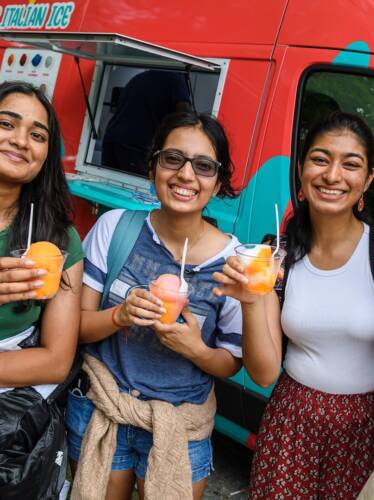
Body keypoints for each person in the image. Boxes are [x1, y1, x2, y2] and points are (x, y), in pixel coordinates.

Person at [214, 111, 374, 498]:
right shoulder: (278, 257)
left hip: (368, 431)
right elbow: (264, 373)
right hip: (291, 425)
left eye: (350, 164)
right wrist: (253, 301)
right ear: (302, 168)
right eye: (320, 159)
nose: (333, 175)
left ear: (368, 179)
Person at [67, 111, 243, 500]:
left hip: (182, 424)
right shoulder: (115, 228)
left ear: (217, 183)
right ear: (153, 168)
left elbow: (232, 360)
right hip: (104, 406)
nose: (185, 175)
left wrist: (194, 349)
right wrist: (120, 315)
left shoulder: (233, 262)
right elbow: (73, 328)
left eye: (203, 166)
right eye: (172, 159)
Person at [0, 81, 84, 495]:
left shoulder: (59, 240)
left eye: (37, 135)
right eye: (6, 124)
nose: (20, 140)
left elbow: (55, 360)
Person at [102, 70, 191, 176]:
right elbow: (184, 113)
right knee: (136, 188)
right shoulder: (176, 80)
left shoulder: (140, 76)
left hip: (111, 139)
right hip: (135, 144)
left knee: (107, 184)